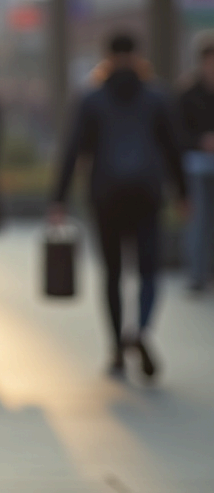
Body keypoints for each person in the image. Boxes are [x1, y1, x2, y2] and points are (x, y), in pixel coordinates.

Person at [51, 31, 186, 380]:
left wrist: (59, 199)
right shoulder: (156, 97)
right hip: (147, 193)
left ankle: (115, 350)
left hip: (106, 194)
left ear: (106, 56)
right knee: (148, 271)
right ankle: (139, 330)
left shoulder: (92, 98)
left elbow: (74, 149)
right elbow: (174, 148)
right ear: (138, 55)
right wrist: (184, 194)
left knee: (112, 274)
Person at [179, 32, 214, 292]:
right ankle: (196, 274)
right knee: (198, 221)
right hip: (195, 164)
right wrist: (200, 141)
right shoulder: (188, 93)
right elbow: (177, 132)